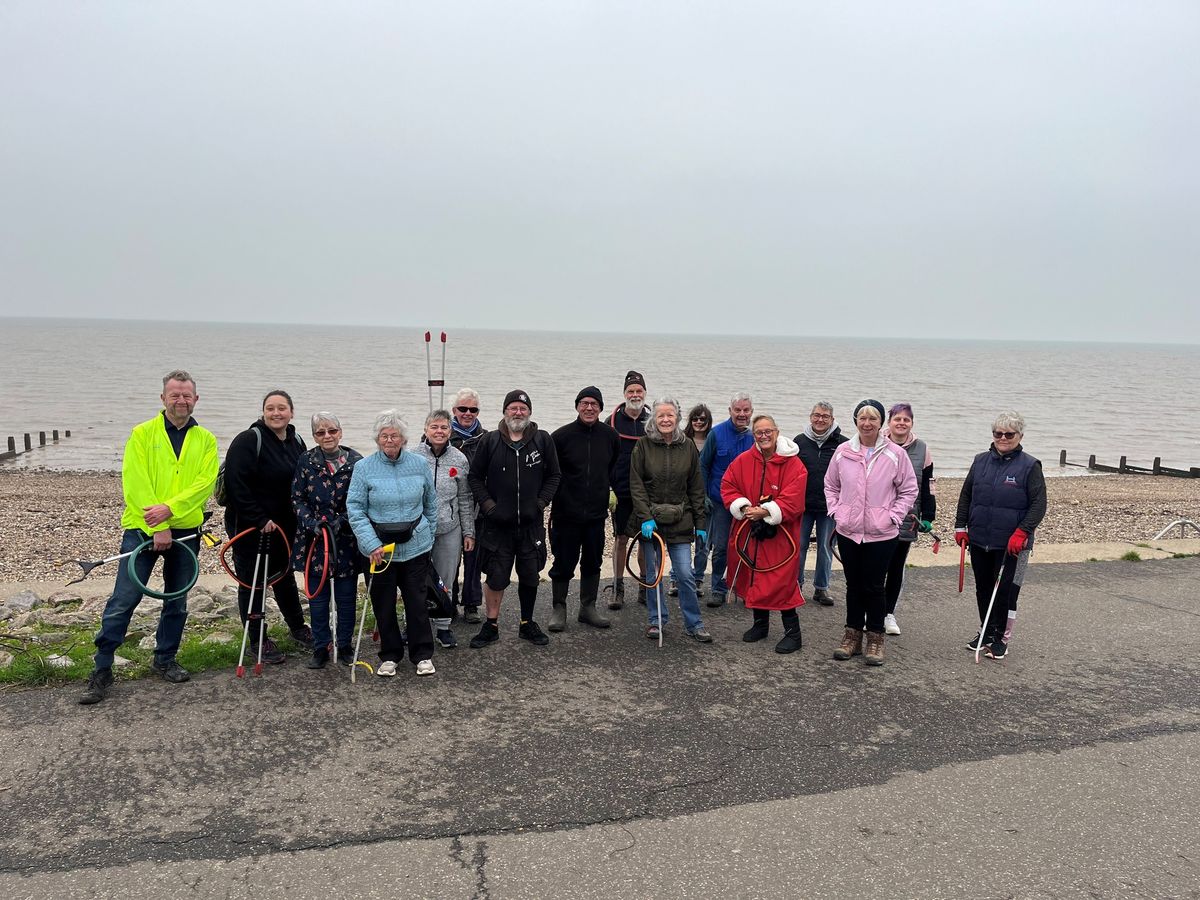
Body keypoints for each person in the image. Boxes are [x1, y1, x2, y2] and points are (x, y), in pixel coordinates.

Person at [80, 370, 219, 705]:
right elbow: (135, 480)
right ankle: (102, 669)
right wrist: (157, 524)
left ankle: (165, 659)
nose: (181, 400)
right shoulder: (142, 434)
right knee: (123, 600)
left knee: (177, 600)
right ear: (163, 398)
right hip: (142, 529)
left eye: (187, 395)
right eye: (174, 395)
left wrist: (169, 511)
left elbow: (204, 484)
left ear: (196, 399)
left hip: (186, 531)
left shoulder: (207, 440)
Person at [824, 399, 917, 666]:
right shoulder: (843, 451)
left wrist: (893, 516)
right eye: (862, 418)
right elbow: (830, 485)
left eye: (873, 418)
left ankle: (875, 638)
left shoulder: (895, 454)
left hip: (881, 532)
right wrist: (836, 512)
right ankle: (851, 635)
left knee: (875, 586)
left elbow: (909, 489)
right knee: (853, 584)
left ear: (881, 423)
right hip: (849, 530)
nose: (867, 423)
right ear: (855, 421)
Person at [222, 390, 312, 665]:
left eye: (282, 408)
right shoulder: (249, 440)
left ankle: (298, 628)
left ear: (291, 412)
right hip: (251, 528)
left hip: (286, 527)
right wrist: (260, 519)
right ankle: (257, 639)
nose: (276, 413)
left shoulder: (296, 441)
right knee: (253, 583)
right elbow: (238, 486)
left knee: (284, 576)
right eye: (270, 408)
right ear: (263, 412)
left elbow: (303, 480)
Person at [467, 390, 561, 649]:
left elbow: (554, 476)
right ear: (504, 411)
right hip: (497, 526)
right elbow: (474, 477)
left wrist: (540, 503)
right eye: (513, 408)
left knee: (530, 575)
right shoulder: (490, 441)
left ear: (529, 412)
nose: (517, 412)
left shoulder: (542, 441)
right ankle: (491, 625)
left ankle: (526, 623)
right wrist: (488, 506)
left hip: (531, 526)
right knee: (496, 577)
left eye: (522, 408)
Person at [346, 410, 437, 677]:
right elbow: (355, 508)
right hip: (379, 551)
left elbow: (430, 503)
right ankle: (389, 655)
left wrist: (428, 533)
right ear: (377, 439)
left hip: (416, 548)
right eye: (384, 436)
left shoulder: (419, 464)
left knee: (417, 603)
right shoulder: (363, 468)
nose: (389, 440)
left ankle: (422, 654)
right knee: (383, 604)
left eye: (394, 435)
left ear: (403, 438)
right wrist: (371, 543)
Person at [954, 411, 1046, 660]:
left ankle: (1002, 639)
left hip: (1012, 544)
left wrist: (1022, 532)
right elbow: (966, 495)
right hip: (980, 538)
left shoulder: (1030, 466)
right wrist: (960, 527)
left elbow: (1039, 505)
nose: (1003, 438)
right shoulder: (980, 461)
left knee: (1007, 591)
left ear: (1020, 436)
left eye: (1009, 434)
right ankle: (987, 630)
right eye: (998, 433)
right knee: (983, 589)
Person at [721, 415, 808, 654]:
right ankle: (760, 625)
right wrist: (743, 506)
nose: (764, 436)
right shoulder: (743, 460)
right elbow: (728, 485)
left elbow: (795, 498)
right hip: (751, 530)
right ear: (754, 435)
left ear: (777, 432)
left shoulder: (794, 465)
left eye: (768, 431)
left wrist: (768, 511)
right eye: (758, 432)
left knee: (781, 581)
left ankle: (793, 633)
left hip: (780, 535)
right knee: (753, 575)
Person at [630, 397, 711, 643]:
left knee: (685, 574)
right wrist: (645, 517)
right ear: (653, 418)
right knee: (653, 574)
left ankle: (694, 623)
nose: (665, 420)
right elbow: (636, 485)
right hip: (650, 523)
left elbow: (696, 488)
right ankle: (656, 621)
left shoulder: (687, 446)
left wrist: (701, 524)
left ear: (677, 418)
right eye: (661, 415)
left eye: (670, 415)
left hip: (681, 520)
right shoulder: (643, 446)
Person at [291, 412, 364, 668]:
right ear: (314, 436)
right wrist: (311, 523)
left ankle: (344, 644)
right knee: (318, 599)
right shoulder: (306, 460)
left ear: (340, 432)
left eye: (332, 431)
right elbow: (297, 498)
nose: (327, 436)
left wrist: (342, 520)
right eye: (321, 433)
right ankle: (321, 647)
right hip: (314, 541)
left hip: (346, 541)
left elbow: (363, 500)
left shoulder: (356, 461)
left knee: (346, 598)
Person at [548, 386, 620, 631]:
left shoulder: (610, 436)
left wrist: (607, 494)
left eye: (594, 404)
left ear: (601, 408)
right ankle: (559, 608)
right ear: (577, 406)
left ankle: (587, 608)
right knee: (563, 563)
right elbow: (551, 474)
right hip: (566, 513)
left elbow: (612, 469)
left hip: (596, 515)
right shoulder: (560, 437)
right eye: (584, 403)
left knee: (593, 561)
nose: (589, 408)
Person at [415, 409, 475, 649]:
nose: (439, 432)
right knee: (415, 580)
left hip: (450, 529)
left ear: (450, 431)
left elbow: (465, 498)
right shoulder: (413, 457)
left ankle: (443, 627)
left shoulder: (459, 459)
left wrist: (468, 532)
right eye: (434, 427)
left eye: (444, 428)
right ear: (426, 430)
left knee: (445, 580)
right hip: (418, 530)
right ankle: (416, 626)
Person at [881, 403, 937, 636]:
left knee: (895, 567)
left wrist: (928, 516)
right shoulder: (878, 443)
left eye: (906, 419)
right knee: (875, 568)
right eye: (897, 419)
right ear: (889, 422)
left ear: (911, 423)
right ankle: (869, 612)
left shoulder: (922, 449)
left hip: (907, 517)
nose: (901, 423)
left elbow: (928, 485)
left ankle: (888, 613)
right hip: (879, 517)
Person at [699, 392, 755, 607]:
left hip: (748, 503)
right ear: (730, 411)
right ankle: (717, 588)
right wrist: (703, 495)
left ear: (751, 411)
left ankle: (743, 587)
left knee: (745, 546)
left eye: (746, 410)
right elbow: (703, 465)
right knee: (721, 546)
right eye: (737, 410)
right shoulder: (716, 434)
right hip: (721, 502)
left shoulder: (755, 437)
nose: (742, 414)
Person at [794, 402, 849, 606]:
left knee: (826, 547)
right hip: (803, 505)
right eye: (817, 415)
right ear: (810, 417)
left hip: (830, 507)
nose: (820, 419)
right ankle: (796, 585)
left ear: (832, 420)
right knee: (799, 545)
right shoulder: (799, 442)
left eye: (825, 416)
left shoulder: (843, 444)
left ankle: (821, 588)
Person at [606, 371, 650, 609]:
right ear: (624, 394)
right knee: (621, 538)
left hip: (646, 491)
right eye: (631, 391)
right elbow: (603, 457)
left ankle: (645, 586)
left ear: (645, 393)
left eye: (639, 391)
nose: (635, 395)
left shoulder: (652, 420)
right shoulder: (611, 421)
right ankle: (618, 587)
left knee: (646, 538)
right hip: (621, 490)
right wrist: (608, 488)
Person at [449, 388, 487, 624]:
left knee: (473, 559)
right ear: (454, 410)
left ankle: (472, 603)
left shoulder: (487, 438)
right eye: (463, 409)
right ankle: (448, 602)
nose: (467, 413)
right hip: (450, 510)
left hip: (477, 509)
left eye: (473, 409)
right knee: (450, 559)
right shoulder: (441, 435)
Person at [669, 403, 714, 598]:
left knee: (703, 543)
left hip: (708, 499)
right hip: (684, 500)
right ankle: (675, 578)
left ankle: (697, 579)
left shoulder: (714, 440)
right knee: (681, 540)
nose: (698, 422)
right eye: (695, 418)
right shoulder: (682, 441)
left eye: (702, 419)